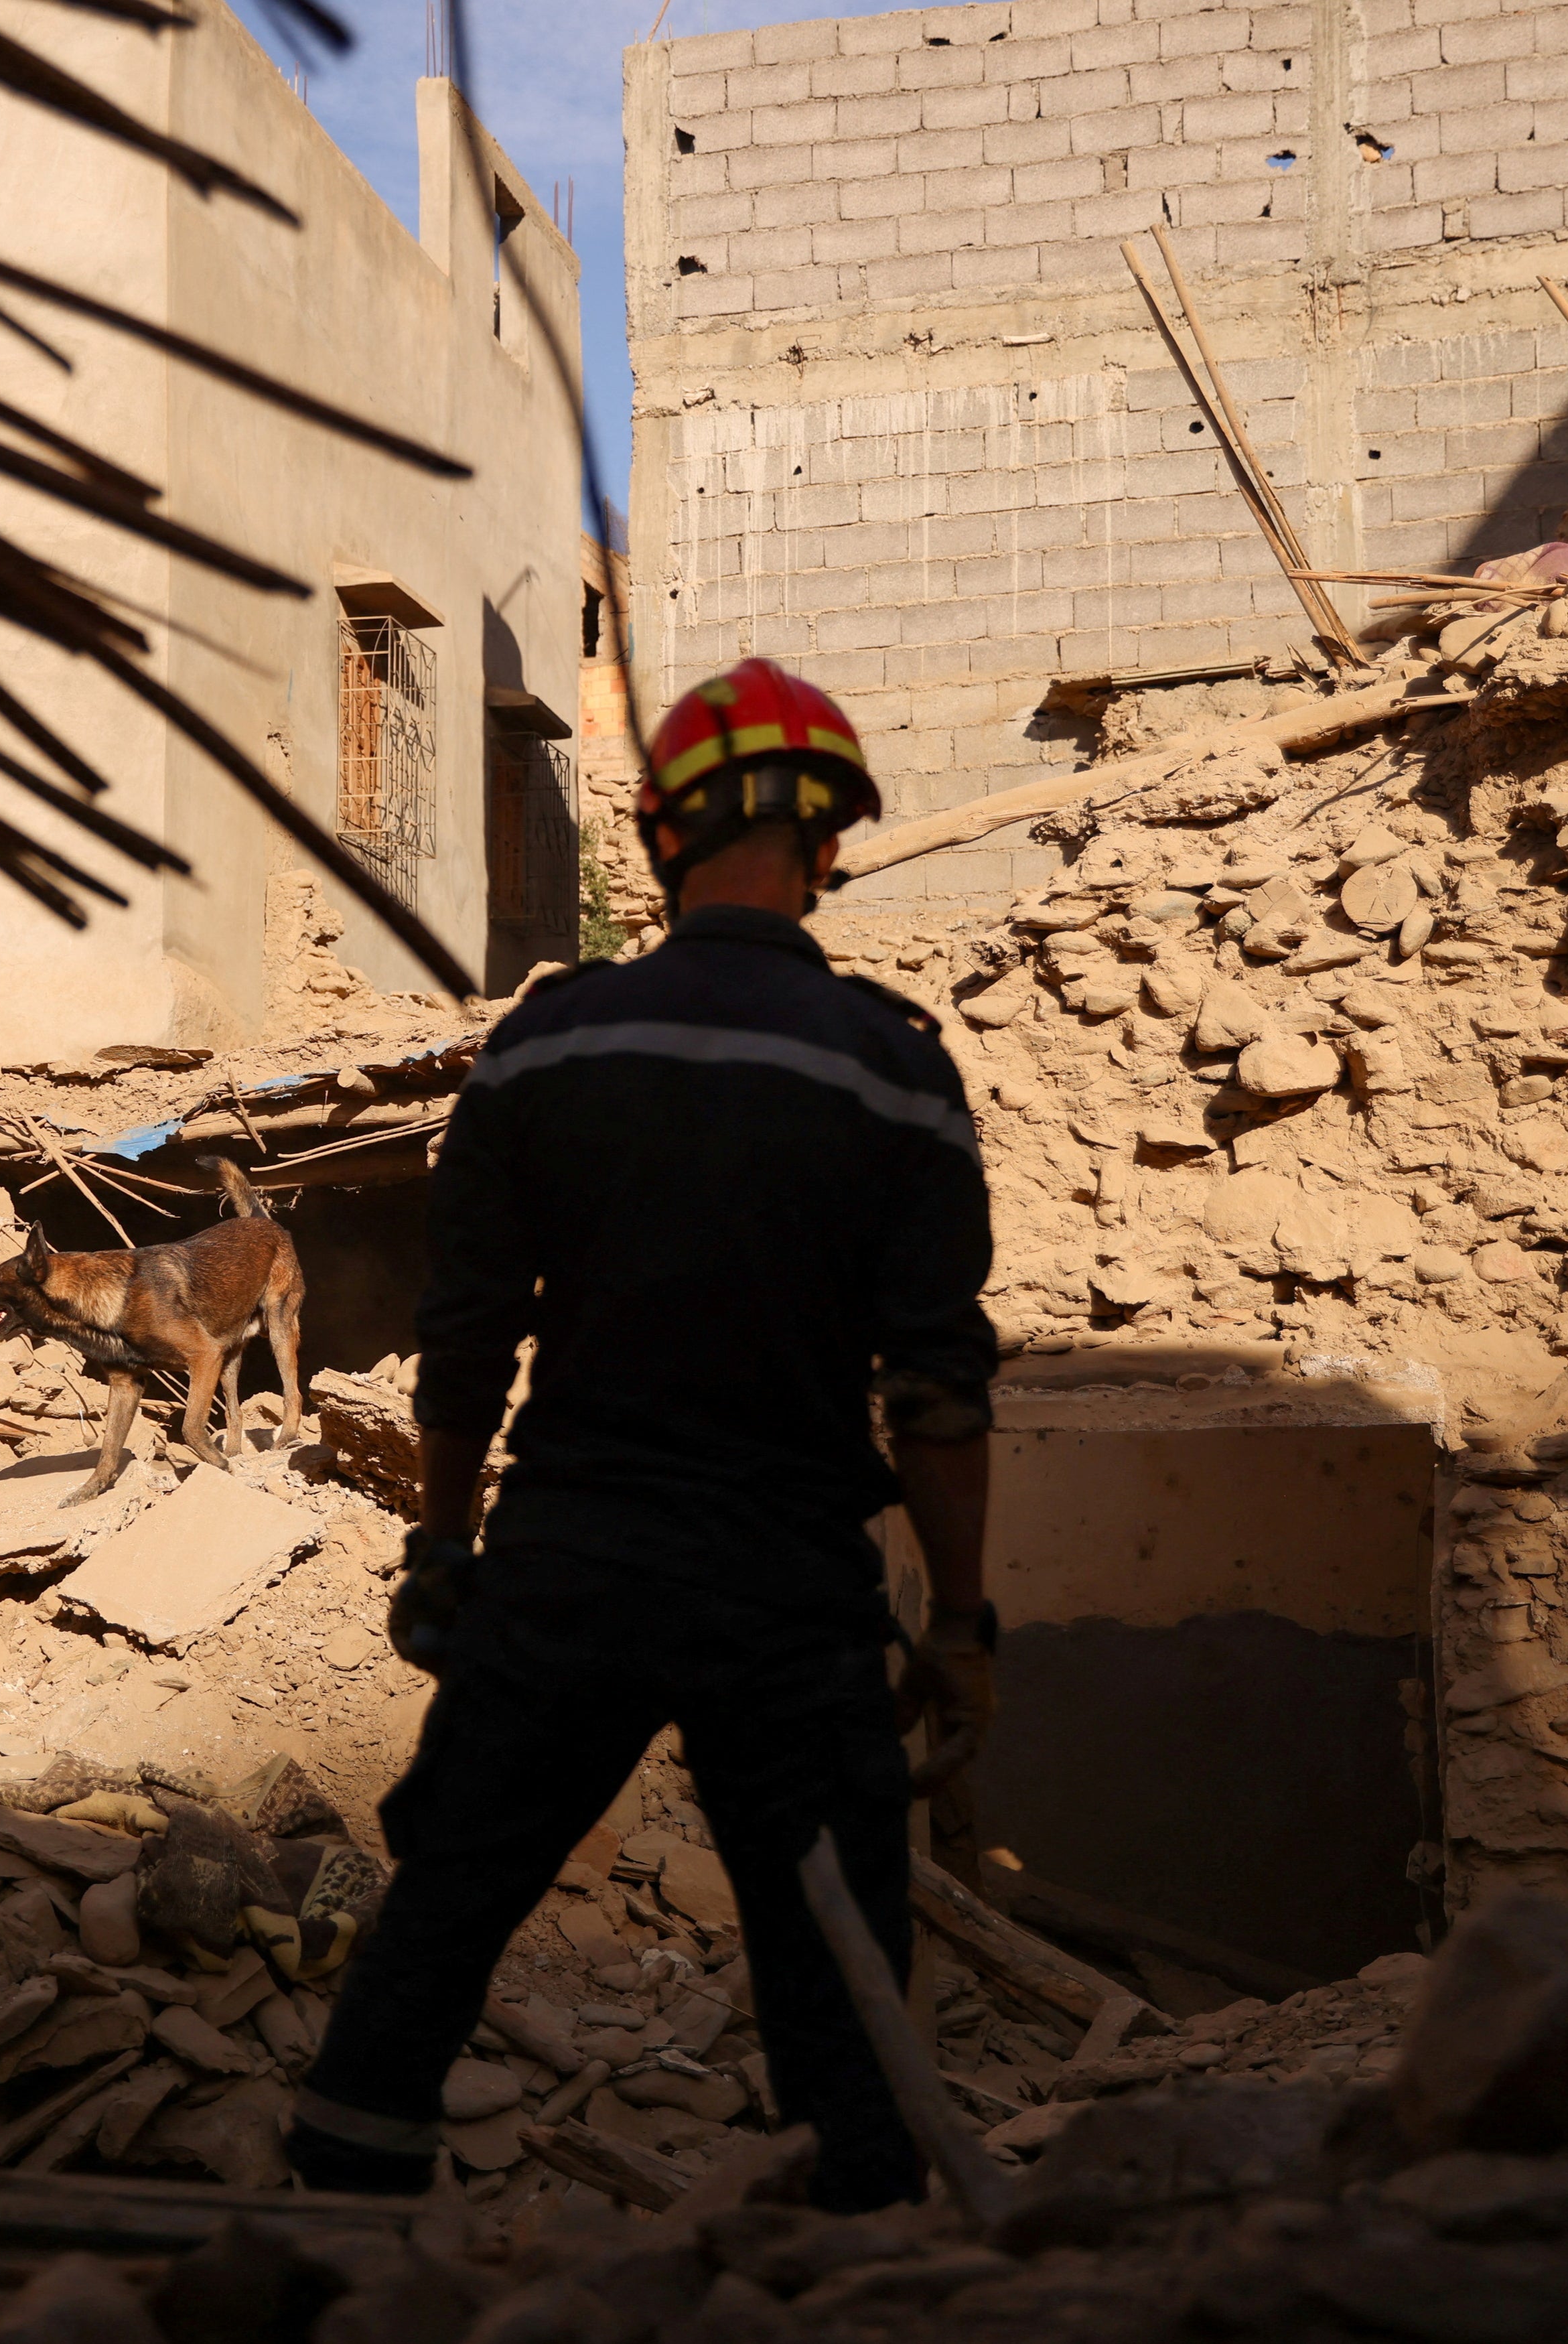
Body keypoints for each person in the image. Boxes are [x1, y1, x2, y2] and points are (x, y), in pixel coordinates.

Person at [286, 657, 999, 2213]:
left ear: (664, 839)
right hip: (790, 1594)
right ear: (828, 845)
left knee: (444, 1919)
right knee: (839, 1997)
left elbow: (468, 1339)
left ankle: (323, 2263)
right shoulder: (892, 1069)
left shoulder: (546, 1050)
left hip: (569, 1569)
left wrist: (448, 1539)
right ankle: (863, 2282)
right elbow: (937, 1389)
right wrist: (961, 1621)